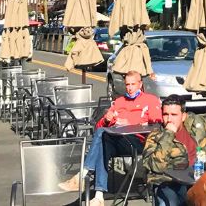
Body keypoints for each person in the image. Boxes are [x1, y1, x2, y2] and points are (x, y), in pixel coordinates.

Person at [58, 70, 163, 205]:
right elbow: (98, 127)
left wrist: (131, 123)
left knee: (102, 135)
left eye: (133, 84)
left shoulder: (150, 100)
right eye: (127, 85)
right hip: (116, 140)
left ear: (140, 84)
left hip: (137, 141)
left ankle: (82, 175)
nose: (130, 88)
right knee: (102, 141)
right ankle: (99, 196)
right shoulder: (119, 101)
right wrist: (107, 120)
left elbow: (157, 122)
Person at [143, 95, 206, 206]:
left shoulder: (195, 123)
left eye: (174, 115)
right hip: (170, 182)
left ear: (183, 116)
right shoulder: (156, 136)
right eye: (165, 114)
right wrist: (168, 135)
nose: (169, 119)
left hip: (201, 177)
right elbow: (155, 166)